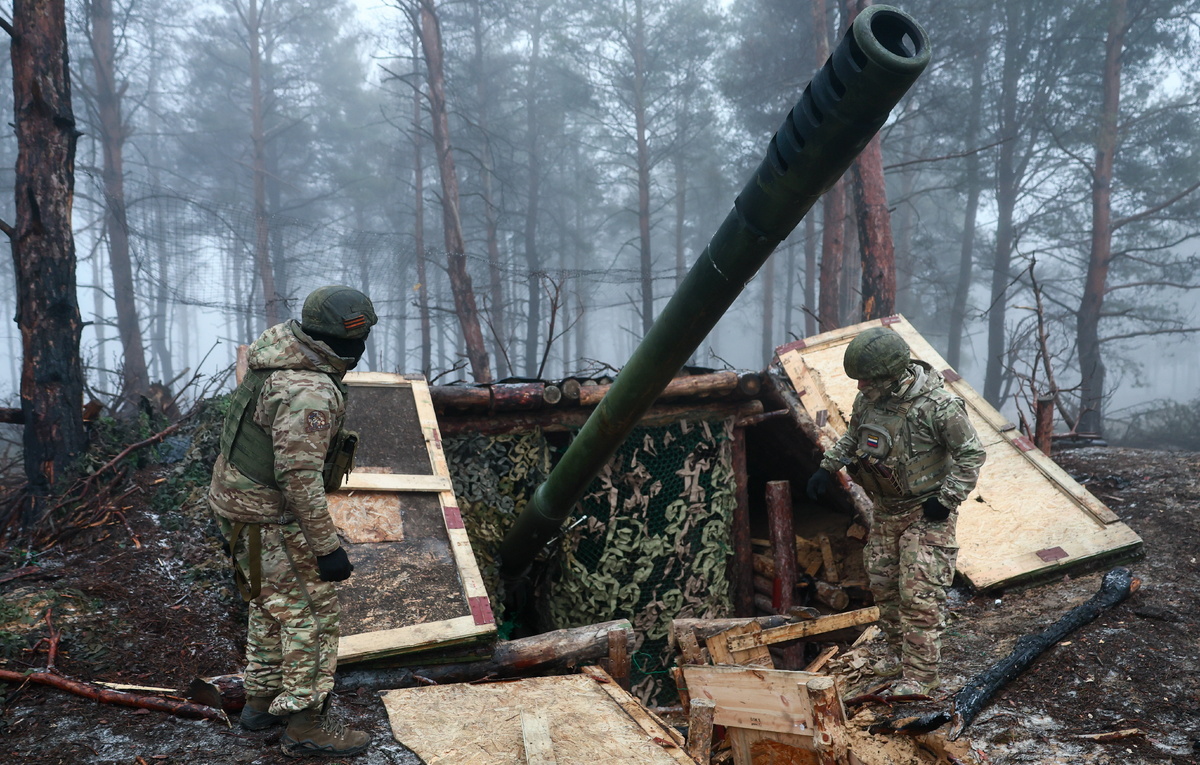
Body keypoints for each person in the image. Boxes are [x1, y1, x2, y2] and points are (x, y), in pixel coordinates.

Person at [209, 285, 377, 757]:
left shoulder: (280, 357)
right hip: (267, 516)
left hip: (239, 509)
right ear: (341, 340)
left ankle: (260, 702)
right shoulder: (308, 389)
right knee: (313, 615)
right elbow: (299, 477)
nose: (360, 349)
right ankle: (306, 723)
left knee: (270, 605)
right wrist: (328, 549)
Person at [806, 326, 985, 697]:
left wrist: (948, 499)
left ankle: (920, 678)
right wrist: (828, 467)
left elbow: (972, 454)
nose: (859, 387)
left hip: (927, 510)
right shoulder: (871, 400)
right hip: (887, 509)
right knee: (885, 588)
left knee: (919, 594)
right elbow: (854, 437)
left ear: (891, 374)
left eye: (866, 380)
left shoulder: (938, 406)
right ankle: (896, 658)